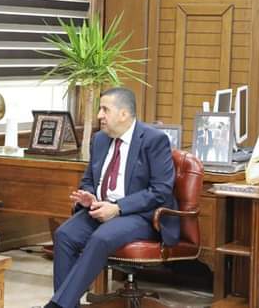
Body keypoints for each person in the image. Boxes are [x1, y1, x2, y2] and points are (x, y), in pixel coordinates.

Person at [44, 87, 179, 308]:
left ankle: (59, 305)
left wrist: (118, 208)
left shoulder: (154, 140)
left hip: (139, 215)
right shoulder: (99, 140)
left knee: (101, 237)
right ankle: (69, 304)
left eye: (105, 110)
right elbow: (88, 179)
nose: (99, 115)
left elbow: (161, 190)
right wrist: (90, 197)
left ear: (123, 114)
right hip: (100, 208)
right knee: (64, 234)